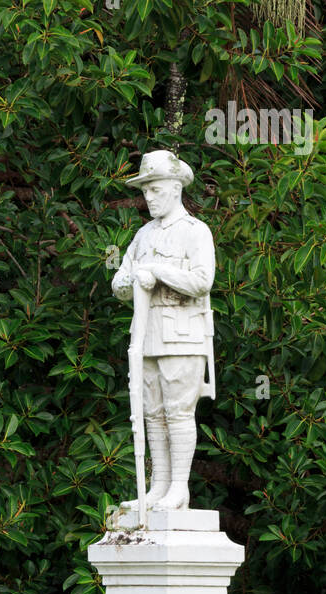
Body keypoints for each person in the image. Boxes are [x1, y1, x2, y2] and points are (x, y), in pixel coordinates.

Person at [111, 149, 215, 511]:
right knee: (151, 412)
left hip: (183, 334)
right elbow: (121, 278)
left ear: (174, 188)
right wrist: (128, 282)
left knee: (178, 411)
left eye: (154, 189)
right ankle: (158, 486)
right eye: (145, 191)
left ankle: (179, 489)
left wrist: (157, 271)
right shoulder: (142, 235)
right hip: (146, 334)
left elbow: (203, 280)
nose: (148, 197)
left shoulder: (195, 232)